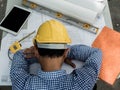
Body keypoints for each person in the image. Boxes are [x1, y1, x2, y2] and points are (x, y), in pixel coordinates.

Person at [10, 19, 102, 90]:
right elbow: (96, 53)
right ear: (66, 51)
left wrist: (40, 53)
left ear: (36, 51)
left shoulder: (21, 86)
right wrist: (65, 53)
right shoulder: (82, 84)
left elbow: (19, 55)